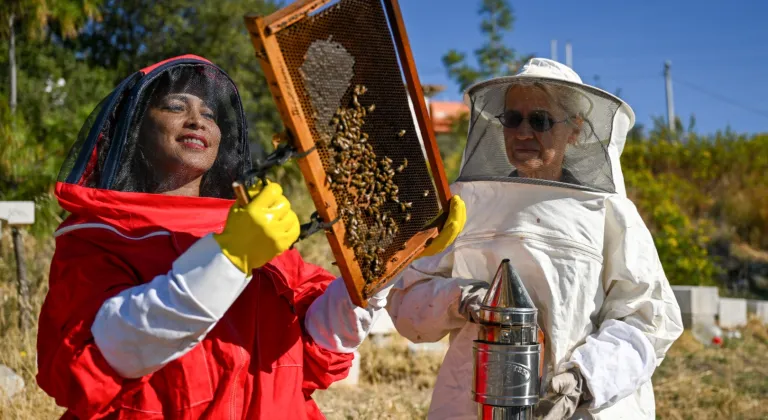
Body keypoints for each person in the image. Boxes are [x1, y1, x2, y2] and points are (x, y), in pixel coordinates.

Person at [35, 54, 466, 420]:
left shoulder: (252, 224)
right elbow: (108, 354)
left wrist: (386, 258)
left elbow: (318, 343)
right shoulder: (99, 235)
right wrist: (229, 258)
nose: (196, 119)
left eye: (209, 113)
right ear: (137, 131)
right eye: (175, 106)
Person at [386, 58, 683, 420]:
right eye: (512, 119)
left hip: (575, 409)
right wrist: (461, 299)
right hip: (471, 403)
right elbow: (406, 300)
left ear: (574, 130)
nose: (523, 132)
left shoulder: (608, 212)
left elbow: (648, 319)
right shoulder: (464, 205)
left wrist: (583, 381)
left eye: (540, 120)